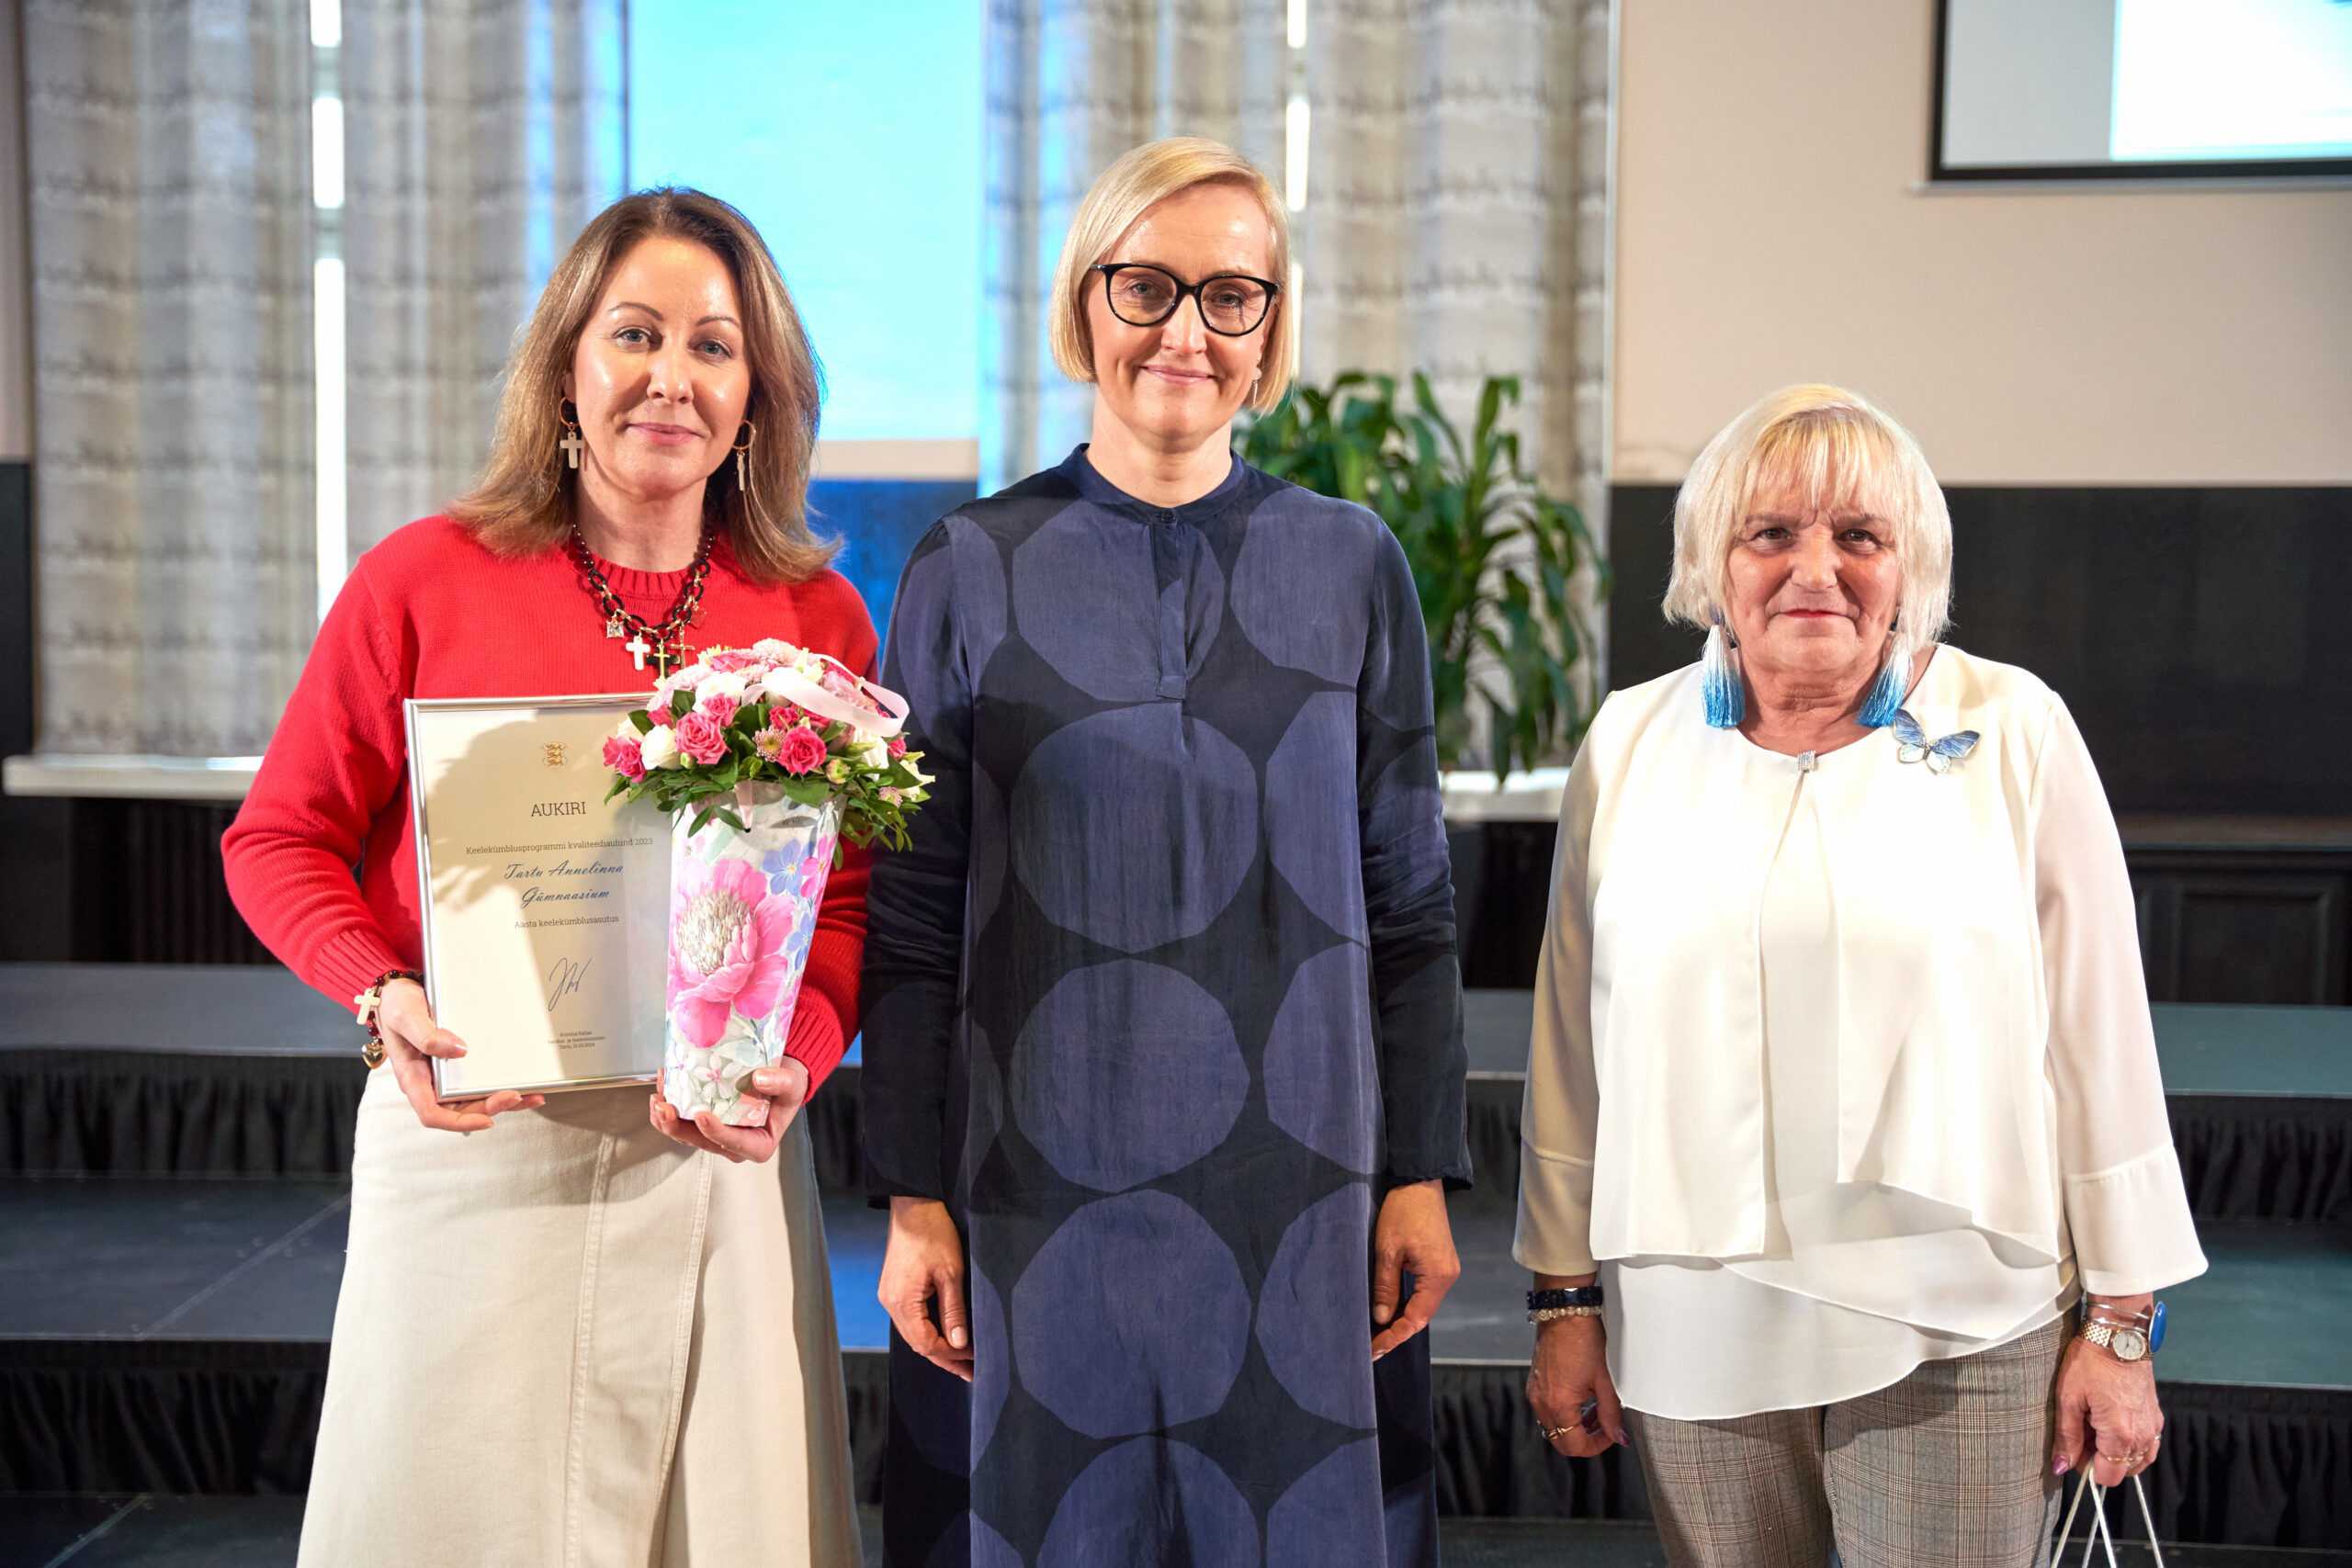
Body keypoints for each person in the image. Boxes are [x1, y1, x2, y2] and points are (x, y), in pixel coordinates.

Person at [222, 188, 866, 1567]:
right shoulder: (422, 581)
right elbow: (275, 839)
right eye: (635, 333)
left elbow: (850, 900)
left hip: (714, 1155)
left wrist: (799, 1051)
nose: (670, 376)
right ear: (566, 364)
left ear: (756, 398)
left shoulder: (815, 619)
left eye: (714, 345)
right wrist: (380, 994)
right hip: (479, 1142)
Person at [860, 136, 1469, 1568]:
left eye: (1230, 297)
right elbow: (915, 910)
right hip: (1023, 1184)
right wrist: (911, 1194)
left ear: (1270, 332)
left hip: (1304, 1184)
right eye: (1146, 288)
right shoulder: (967, 564)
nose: (1186, 332)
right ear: (1086, 303)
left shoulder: (1354, 562)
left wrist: (1420, 1172)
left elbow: (1413, 899)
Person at [1516, 383, 2208, 1566]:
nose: (1816, 569)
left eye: (1859, 535)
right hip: (1693, 1322)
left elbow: (2100, 1037)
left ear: (1909, 564)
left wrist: (2122, 1322)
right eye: (1771, 533)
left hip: (1960, 1318)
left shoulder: (2016, 725)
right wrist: (1565, 1301)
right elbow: (1569, 1045)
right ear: (1712, 562)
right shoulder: (1627, 740)